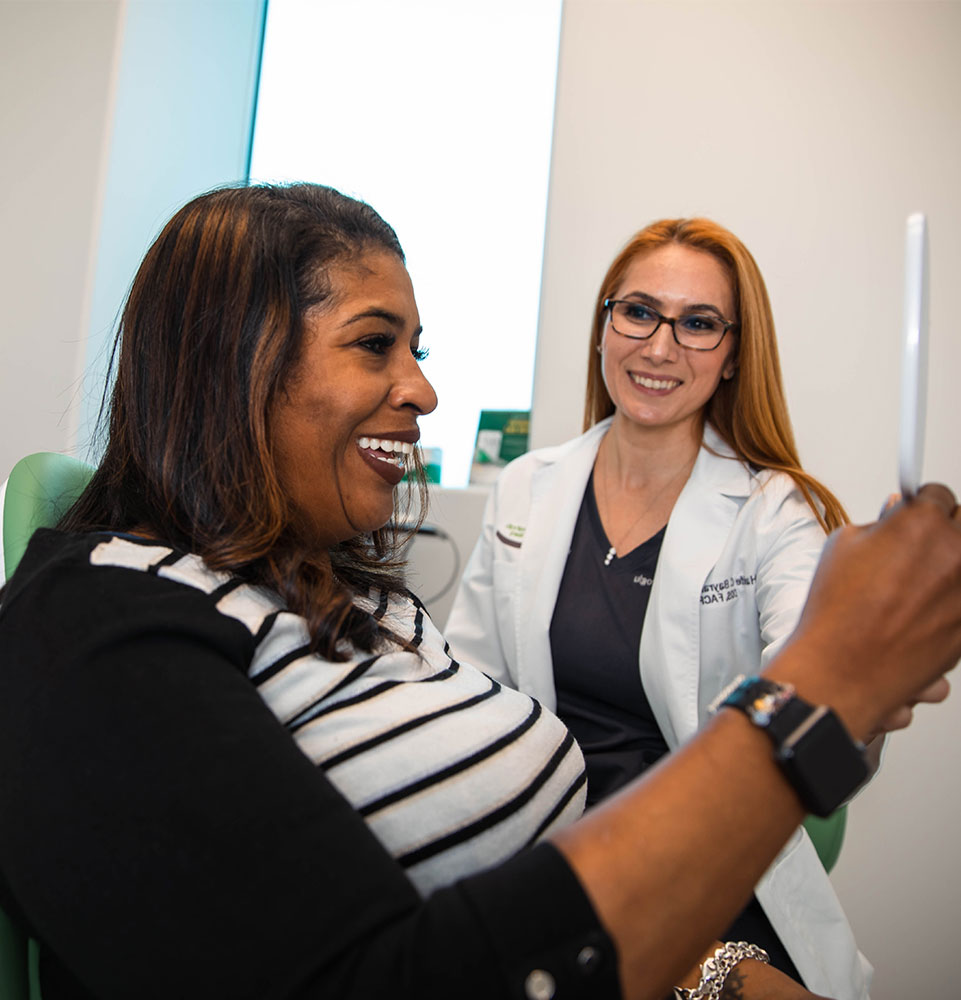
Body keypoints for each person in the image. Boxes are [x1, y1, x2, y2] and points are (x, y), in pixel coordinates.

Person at [0, 184, 958, 1000]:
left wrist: (712, 968)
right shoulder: (95, 625)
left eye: (699, 322)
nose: (421, 390)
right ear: (228, 361)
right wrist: (826, 684)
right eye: (374, 345)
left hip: (665, 922)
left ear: (731, 352)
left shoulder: (354, 597)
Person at [446, 219, 883, 996]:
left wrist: (866, 672)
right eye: (638, 312)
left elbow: (820, 704)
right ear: (604, 325)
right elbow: (469, 691)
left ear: (734, 354)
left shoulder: (774, 511)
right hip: (547, 852)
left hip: (705, 868)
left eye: (698, 324)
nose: (658, 347)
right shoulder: (528, 485)